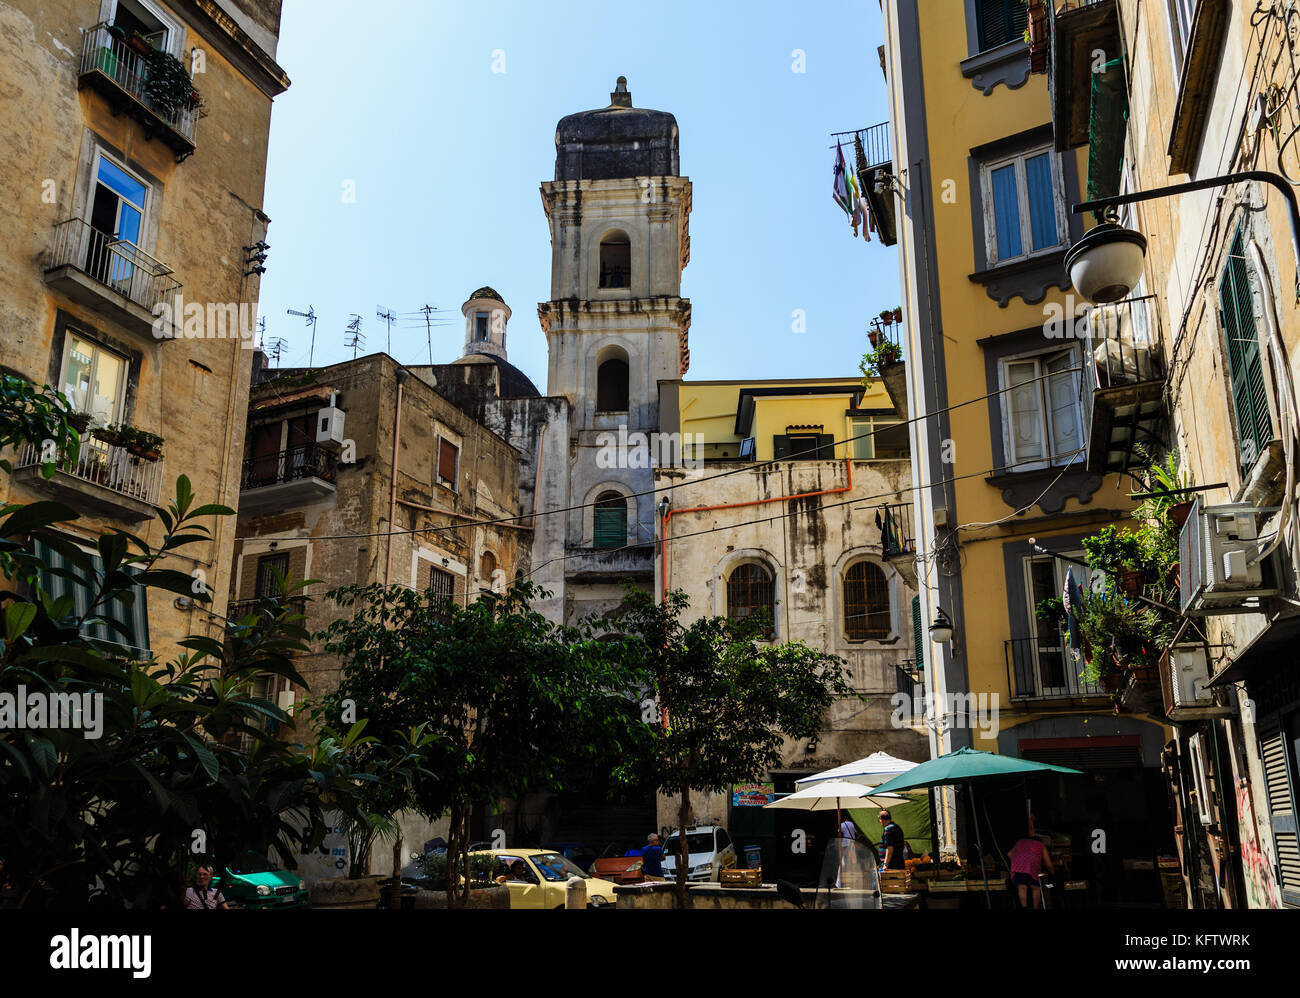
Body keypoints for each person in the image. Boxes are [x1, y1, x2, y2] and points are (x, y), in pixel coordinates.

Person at [1009, 834, 1055, 909]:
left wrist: (1017, 862)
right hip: (1033, 864)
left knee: (1022, 887)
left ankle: (1024, 907)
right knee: (1036, 887)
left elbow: (1010, 854)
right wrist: (1053, 873)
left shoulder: (1020, 842)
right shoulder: (1041, 845)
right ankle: (1036, 907)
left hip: (1018, 865)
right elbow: (1048, 864)